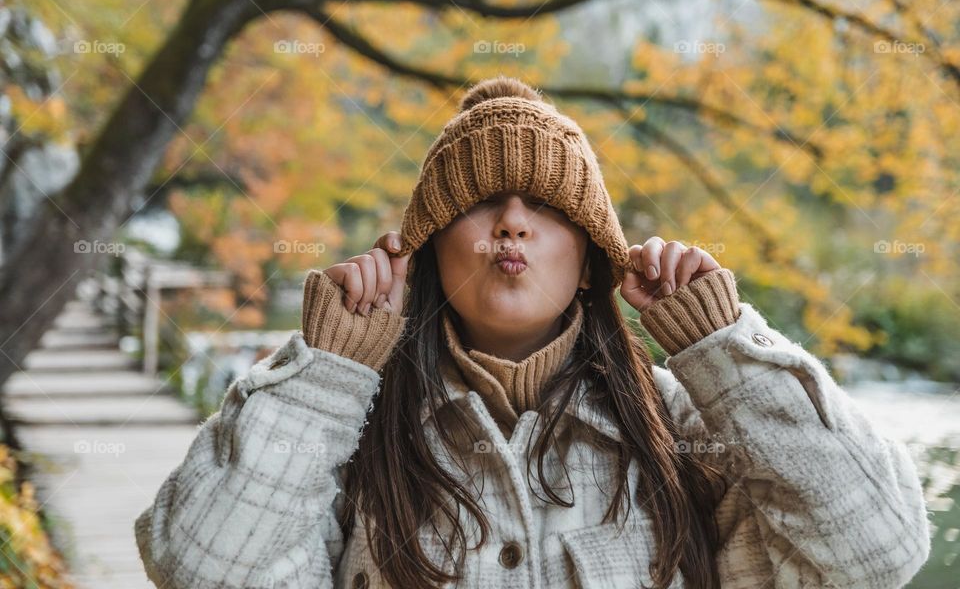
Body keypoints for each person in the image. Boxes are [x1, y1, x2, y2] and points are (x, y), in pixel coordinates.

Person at [134, 76, 930, 589]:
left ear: (589, 255)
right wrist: (325, 374)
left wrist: (718, 347)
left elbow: (879, 553)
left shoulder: (679, 433)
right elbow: (203, 567)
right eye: (482, 203)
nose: (513, 221)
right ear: (430, 249)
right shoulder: (352, 436)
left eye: (546, 206)